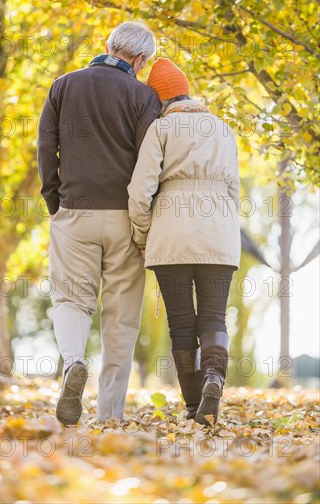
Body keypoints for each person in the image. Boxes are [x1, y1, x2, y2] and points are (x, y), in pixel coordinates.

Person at [37, 22, 160, 425]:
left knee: (71, 299)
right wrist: (144, 222)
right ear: (139, 60)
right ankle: (111, 414)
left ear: (107, 46)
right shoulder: (145, 96)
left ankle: (74, 362)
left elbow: (45, 144)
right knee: (121, 316)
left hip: (74, 212)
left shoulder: (64, 85)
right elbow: (149, 164)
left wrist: (54, 199)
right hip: (125, 216)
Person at [128, 58, 241, 425]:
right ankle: (214, 376)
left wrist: (142, 233)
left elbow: (140, 190)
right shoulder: (224, 129)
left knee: (180, 322)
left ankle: (195, 406)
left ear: (160, 100)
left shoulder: (160, 129)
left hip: (170, 236)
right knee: (213, 316)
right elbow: (235, 192)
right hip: (219, 236)